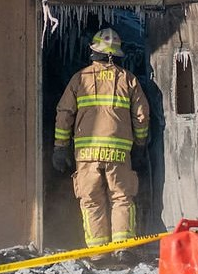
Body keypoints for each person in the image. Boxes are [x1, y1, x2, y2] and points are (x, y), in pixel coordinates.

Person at [53, 28, 151, 247]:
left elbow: (64, 113)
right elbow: (142, 116)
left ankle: (98, 252)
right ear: (117, 54)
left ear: (94, 52)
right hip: (119, 153)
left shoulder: (80, 78)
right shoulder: (129, 79)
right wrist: (140, 146)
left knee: (91, 201)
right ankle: (122, 249)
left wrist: (60, 147)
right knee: (122, 199)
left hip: (87, 154)